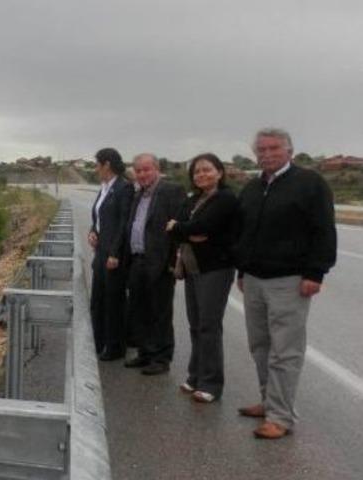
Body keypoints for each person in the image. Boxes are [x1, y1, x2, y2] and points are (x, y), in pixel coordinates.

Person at [234, 128, 337, 439]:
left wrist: (315, 273)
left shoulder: (310, 183)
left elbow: (323, 229)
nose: (266, 154)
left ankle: (281, 416)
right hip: (253, 279)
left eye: (273, 148)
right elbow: (244, 232)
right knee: (260, 346)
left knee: (285, 351)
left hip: (289, 280)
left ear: (289, 151)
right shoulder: (252, 187)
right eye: (261, 149)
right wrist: (241, 270)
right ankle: (269, 402)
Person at [166, 153, 239, 401]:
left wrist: (183, 228)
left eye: (207, 170)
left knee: (209, 326)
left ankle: (211, 384)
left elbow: (200, 227)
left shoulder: (226, 199)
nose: (201, 175)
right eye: (197, 172)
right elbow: (177, 227)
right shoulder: (194, 198)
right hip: (192, 268)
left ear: (219, 172)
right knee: (196, 325)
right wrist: (185, 230)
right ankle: (194, 376)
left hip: (215, 269)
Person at [123, 153, 185, 375]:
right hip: (138, 260)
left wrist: (172, 262)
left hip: (160, 262)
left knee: (160, 312)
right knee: (140, 310)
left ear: (157, 169)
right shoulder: (138, 195)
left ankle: (161, 357)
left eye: (146, 169)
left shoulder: (171, 191)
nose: (142, 174)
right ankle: (145, 352)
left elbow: (178, 228)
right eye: (138, 170)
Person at [88, 148, 134, 361]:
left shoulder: (124, 188)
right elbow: (99, 217)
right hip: (101, 251)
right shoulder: (105, 187)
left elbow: (124, 223)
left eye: (97, 164)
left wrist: (115, 253)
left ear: (106, 164)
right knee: (98, 298)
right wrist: (92, 231)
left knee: (113, 300)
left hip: (113, 254)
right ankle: (98, 342)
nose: (95, 168)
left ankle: (115, 346)